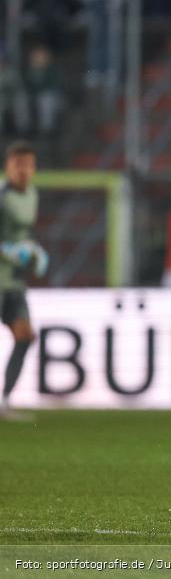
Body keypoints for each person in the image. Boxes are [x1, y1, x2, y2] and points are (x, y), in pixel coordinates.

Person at [0, 141, 48, 414]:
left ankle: (5, 400)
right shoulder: (2, 196)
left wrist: (33, 250)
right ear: (8, 167)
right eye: (18, 165)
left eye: (29, 165)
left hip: (14, 281)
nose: (24, 171)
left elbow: (23, 233)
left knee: (25, 335)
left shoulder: (32, 195)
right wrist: (7, 251)